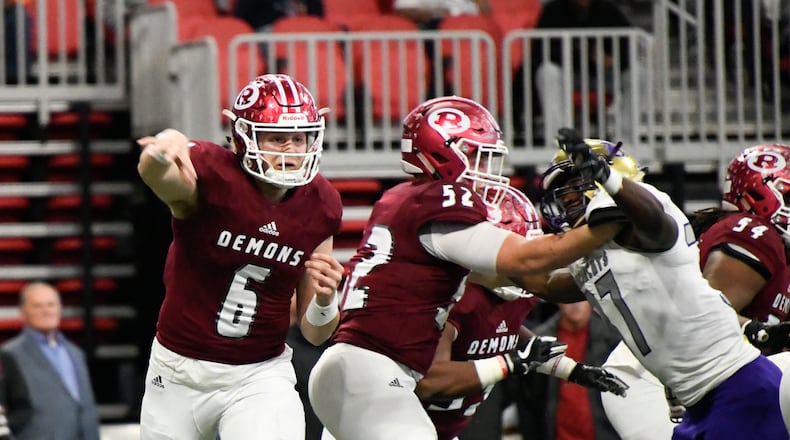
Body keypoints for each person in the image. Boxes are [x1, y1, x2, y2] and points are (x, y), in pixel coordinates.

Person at [307, 95, 623, 440]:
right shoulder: (436, 203)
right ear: (442, 150)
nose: (487, 171)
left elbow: (539, 285)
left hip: (373, 374)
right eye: (477, 156)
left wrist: (620, 262)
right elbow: (529, 260)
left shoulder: (415, 205)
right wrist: (607, 227)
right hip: (370, 371)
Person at [532, 130, 788, 439]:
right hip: (691, 393)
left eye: (576, 185)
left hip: (730, 385)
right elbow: (545, 282)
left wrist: (608, 179)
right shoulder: (593, 255)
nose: (568, 199)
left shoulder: (649, 218)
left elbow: (653, 222)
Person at [135, 73, 345, 440]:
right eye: (278, 138)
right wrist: (162, 149)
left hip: (259, 375)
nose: (291, 150)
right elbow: (160, 178)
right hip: (178, 371)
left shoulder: (322, 204)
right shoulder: (214, 175)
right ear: (243, 136)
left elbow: (314, 332)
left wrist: (327, 301)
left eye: (299, 138)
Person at [415, 185, 628, 440]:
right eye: (515, 248)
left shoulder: (512, 294)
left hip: (453, 426)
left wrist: (572, 370)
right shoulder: (455, 298)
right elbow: (430, 382)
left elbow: (506, 333)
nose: (524, 259)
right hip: (412, 424)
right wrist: (512, 362)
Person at [0, 282, 100, 440]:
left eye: (51, 304)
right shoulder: (9, 354)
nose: (46, 311)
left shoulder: (76, 353)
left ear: (60, 308)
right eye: (37, 306)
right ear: (23, 311)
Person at [528, 0, 636, 145]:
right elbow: (540, 50)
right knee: (547, 72)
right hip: (568, 74)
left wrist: (612, 59)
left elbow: (628, 44)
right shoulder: (553, 10)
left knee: (638, 74)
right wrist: (581, 54)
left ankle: (625, 141)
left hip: (603, 76)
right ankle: (559, 140)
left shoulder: (609, 9)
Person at [519, 301, 623, 440]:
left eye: (580, 297)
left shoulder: (614, 340)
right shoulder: (538, 343)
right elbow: (527, 402)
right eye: (568, 297)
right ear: (557, 299)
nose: (575, 304)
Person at [392, 0, 490, 29]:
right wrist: (436, 13)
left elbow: (486, 14)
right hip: (433, 28)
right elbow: (403, 10)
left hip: (467, 28)